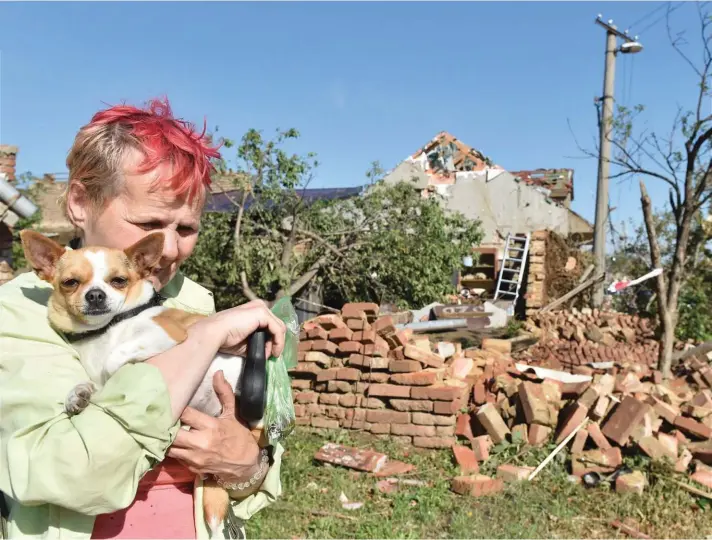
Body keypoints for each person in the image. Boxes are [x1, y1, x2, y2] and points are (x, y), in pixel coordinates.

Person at [0, 98, 287, 539]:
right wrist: (199, 342)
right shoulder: (19, 313)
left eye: (186, 228)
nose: (170, 248)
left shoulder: (192, 300)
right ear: (80, 201)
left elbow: (253, 462)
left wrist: (247, 464)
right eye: (149, 222)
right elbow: (67, 475)